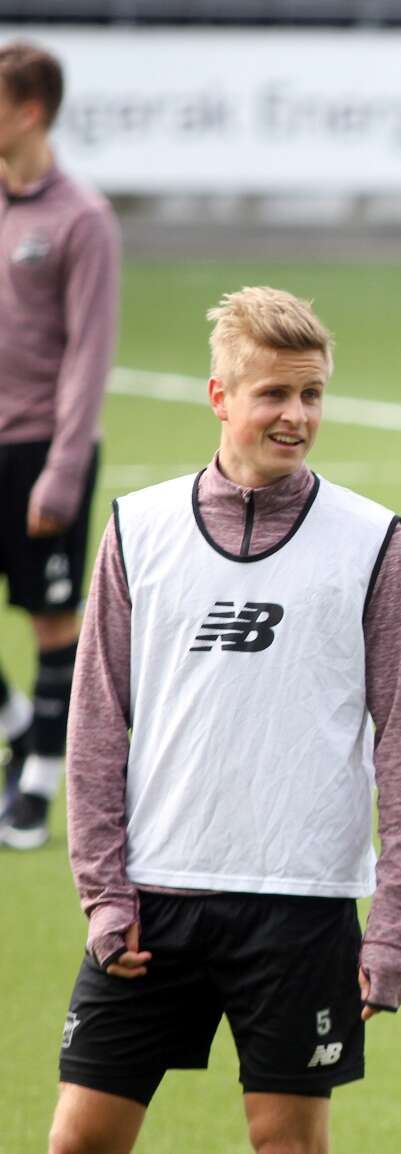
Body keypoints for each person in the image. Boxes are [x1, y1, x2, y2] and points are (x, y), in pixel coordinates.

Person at [50, 287, 401, 1154]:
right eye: (274, 394)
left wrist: (395, 929)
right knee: (80, 1141)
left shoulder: (370, 540)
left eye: (311, 394)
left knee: (287, 1146)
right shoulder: (139, 528)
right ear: (220, 397)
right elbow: (98, 725)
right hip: (155, 899)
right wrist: (104, 893)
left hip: (302, 906)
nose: (296, 415)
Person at [0, 39, 120, 850]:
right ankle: (20, 728)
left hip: (42, 447)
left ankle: (40, 785)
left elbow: (89, 351)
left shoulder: (83, 219)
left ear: (30, 111)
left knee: (51, 616)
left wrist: (64, 471)